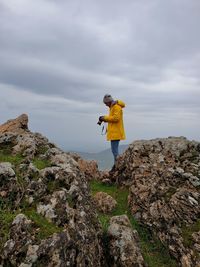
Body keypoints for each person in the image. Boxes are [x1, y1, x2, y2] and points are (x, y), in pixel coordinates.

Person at [98, 94, 126, 165]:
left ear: (108, 102)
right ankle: (117, 165)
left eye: (105, 103)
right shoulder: (112, 107)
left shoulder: (116, 107)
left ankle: (117, 166)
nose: (105, 105)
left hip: (116, 133)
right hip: (114, 133)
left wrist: (104, 118)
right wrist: (105, 119)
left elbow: (116, 118)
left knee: (115, 151)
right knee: (114, 151)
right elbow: (113, 118)